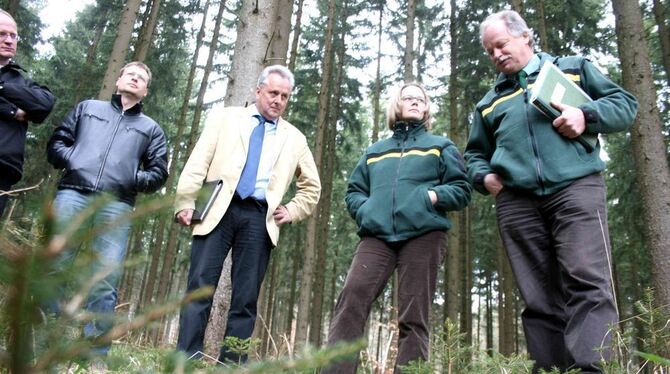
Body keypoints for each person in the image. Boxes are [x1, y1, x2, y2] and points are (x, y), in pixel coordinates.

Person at [464, 10, 638, 373]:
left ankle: (590, 369)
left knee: (586, 280)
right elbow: (474, 154)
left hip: (576, 188)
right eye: (489, 51)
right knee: (539, 298)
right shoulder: (488, 102)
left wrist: (585, 116)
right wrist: (485, 179)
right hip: (517, 203)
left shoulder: (572, 69)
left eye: (501, 45)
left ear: (525, 37)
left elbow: (624, 105)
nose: (496, 55)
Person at [174, 65, 321, 364]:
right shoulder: (225, 118)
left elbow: (312, 187)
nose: (278, 100)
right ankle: (185, 361)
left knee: (245, 298)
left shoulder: (295, 138)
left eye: (284, 96)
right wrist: (186, 200)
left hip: (259, 217)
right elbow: (198, 160)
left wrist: (292, 210)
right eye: (273, 93)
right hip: (218, 209)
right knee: (199, 286)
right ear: (258, 91)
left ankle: (230, 365)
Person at [322, 83, 472, 373]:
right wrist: (367, 210)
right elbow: (354, 191)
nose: (415, 102)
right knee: (351, 299)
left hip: (424, 234)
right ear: (397, 105)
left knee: (413, 315)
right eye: (408, 98)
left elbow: (462, 189)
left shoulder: (441, 146)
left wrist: (430, 197)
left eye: (421, 99)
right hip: (376, 237)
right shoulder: (375, 152)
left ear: (426, 108)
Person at [46, 61, 168, 356]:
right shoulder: (88, 108)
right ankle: (43, 340)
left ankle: (95, 355)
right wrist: (73, 159)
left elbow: (159, 172)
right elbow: (57, 143)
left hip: (117, 205)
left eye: (142, 78)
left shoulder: (151, 129)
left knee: (105, 277)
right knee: (55, 266)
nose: (135, 79)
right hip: (72, 193)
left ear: (146, 91)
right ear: (118, 80)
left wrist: (130, 178)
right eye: (131, 74)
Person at [0, 9, 55, 217]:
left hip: (2, 169)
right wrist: (14, 110)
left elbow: (44, 105)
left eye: (13, 36)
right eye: (2, 34)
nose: (9, 40)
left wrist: (2, 88)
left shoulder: (22, 82)